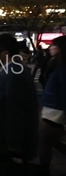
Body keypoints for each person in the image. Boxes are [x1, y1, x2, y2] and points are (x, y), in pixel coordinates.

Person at [0, 33, 39, 176]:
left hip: (2, 145)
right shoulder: (12, 71)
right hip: (1, 142)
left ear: (5, 53)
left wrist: (14, 147)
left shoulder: (13, 75)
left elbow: (15, 113)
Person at [38, 35, 66, 175]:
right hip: (52, 109)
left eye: (54, 45)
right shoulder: (54, 62)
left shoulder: (61, 68)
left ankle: (44, 171)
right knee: (50, 141)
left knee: (45, 141)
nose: (50, 47)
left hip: (54, 110)